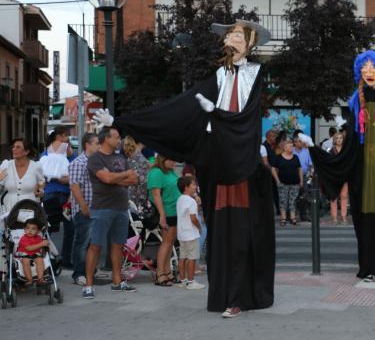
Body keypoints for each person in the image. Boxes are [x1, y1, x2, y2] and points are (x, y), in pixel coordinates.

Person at [93, 20, 275, 317]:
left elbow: (248, 118)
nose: (231, 37)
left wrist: (216, 114)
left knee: (241, 233)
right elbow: (176, 109)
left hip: (242, 164)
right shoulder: (218, 75)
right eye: (230, 33)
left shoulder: (256, 74)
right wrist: (120, 123)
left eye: (238, 34)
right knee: (221, 233)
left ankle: (240, 296)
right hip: (218, 163)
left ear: (250, 42)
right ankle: (226, 295)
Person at [304, 50, 375, 281]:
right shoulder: (355, 102)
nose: (369, 72)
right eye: (365, 68)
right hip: (363, 172)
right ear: (359, 72)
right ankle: (370, 267)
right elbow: (351, 143)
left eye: (373, 68)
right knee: (365, 220)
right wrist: (317, 150)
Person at [83, 127, 138, 299]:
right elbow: (105, 179)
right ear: (106, 138)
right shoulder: (95, 159)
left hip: (121, 207)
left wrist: (116, 177)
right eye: (116, 137)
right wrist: (123, 176)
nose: (119, 140)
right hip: (102, 208)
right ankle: (88, 285)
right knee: (96, 245)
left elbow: (134, 179)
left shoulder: (121, 158)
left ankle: (117, 281)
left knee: (118, 245)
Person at [0, 138, 45, 270]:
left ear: (26, 151)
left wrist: (40, 191)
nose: (14, 149)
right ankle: (6, 270)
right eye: (13, 147)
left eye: (18, 147)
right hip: (8, 206)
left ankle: (27, 271)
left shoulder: (36, 166)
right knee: (7, 238)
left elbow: (41, 182)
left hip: (29, 206)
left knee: (27, 237)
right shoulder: (6, 165)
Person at [40, 126, 75, 268]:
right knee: (61, 228)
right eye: (67, 136)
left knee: (53, 228)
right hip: (60, 195)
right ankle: (56, 259)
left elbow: (76, 172)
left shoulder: (47, 154)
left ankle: (51, 260)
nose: (68, 139)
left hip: (56, 194)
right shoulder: (47, 155)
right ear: (59, 137)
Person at [68, 133, 100, 285]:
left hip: (97, 208)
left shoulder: (96, 162)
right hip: (85, 209)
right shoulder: (79, 163)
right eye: (97, 143)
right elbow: (75, 187)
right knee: (82, 242)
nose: (99, 146)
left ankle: (90, 270)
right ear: (88, 144)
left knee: (92, 243)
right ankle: (78, 274)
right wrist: (83, 207)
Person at [148, 155, 181, 286]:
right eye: (171, 159)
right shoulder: (156, 172)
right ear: (163, 159)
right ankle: (159, 273)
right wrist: (162, 215)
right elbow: (156, 195)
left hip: (174, 211)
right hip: (166, 212)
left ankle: (167, 271)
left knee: (170, 242)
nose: (174, 162)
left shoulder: (170, 171)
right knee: (166, 242)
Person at [176, 176, 206, 290]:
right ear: (186, 187)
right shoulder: (191, 201)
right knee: (192, 258)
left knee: (182, 257)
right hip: (191, 234)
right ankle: (191, 281)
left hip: (182, 233)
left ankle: (183, 280)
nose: (195, 187)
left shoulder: (180, 199)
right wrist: (199, 227)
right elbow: (193, 218)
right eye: (193, 184)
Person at [271, 139, 302, 226]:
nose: (292, 147)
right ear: (284, 148)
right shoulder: (278, 157)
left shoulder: (296, 157)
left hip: (295, 183)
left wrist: (301, 181)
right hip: (282, 183)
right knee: (283, 201)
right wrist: (277, 180)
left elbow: (299, 169)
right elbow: (273, 169)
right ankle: (283, 218)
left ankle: (293, 217)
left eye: (292, 146)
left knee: (293, 200)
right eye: (290, 146)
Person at [123, 135, 151, 214]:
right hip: (139, 200)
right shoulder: (141, 160)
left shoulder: (131, 157)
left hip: (131, 197)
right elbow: (144, 183)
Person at [16, 218, 49, 286]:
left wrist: (46, 243)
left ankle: (40, 279)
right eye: (28, 228)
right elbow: (29, 248)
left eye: (33, 229)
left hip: (35, 254)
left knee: (40, 260)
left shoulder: (39, 238)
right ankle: (29, 279)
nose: (30, 230)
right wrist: (42, 244)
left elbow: (41, 247)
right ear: (24, 229)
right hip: (23, 254)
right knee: (26, 261)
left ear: (38, 231)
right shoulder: (23, 238)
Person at [328, 132, 349, 224]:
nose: (339, 140)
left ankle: (344, 216)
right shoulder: (331, 151)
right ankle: (334, 217)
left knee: (344, 196)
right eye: (337, 138)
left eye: (341, 138)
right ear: (334, 140)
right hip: (334, 177)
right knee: (334, 197)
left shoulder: (346, 150)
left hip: (344, 175)